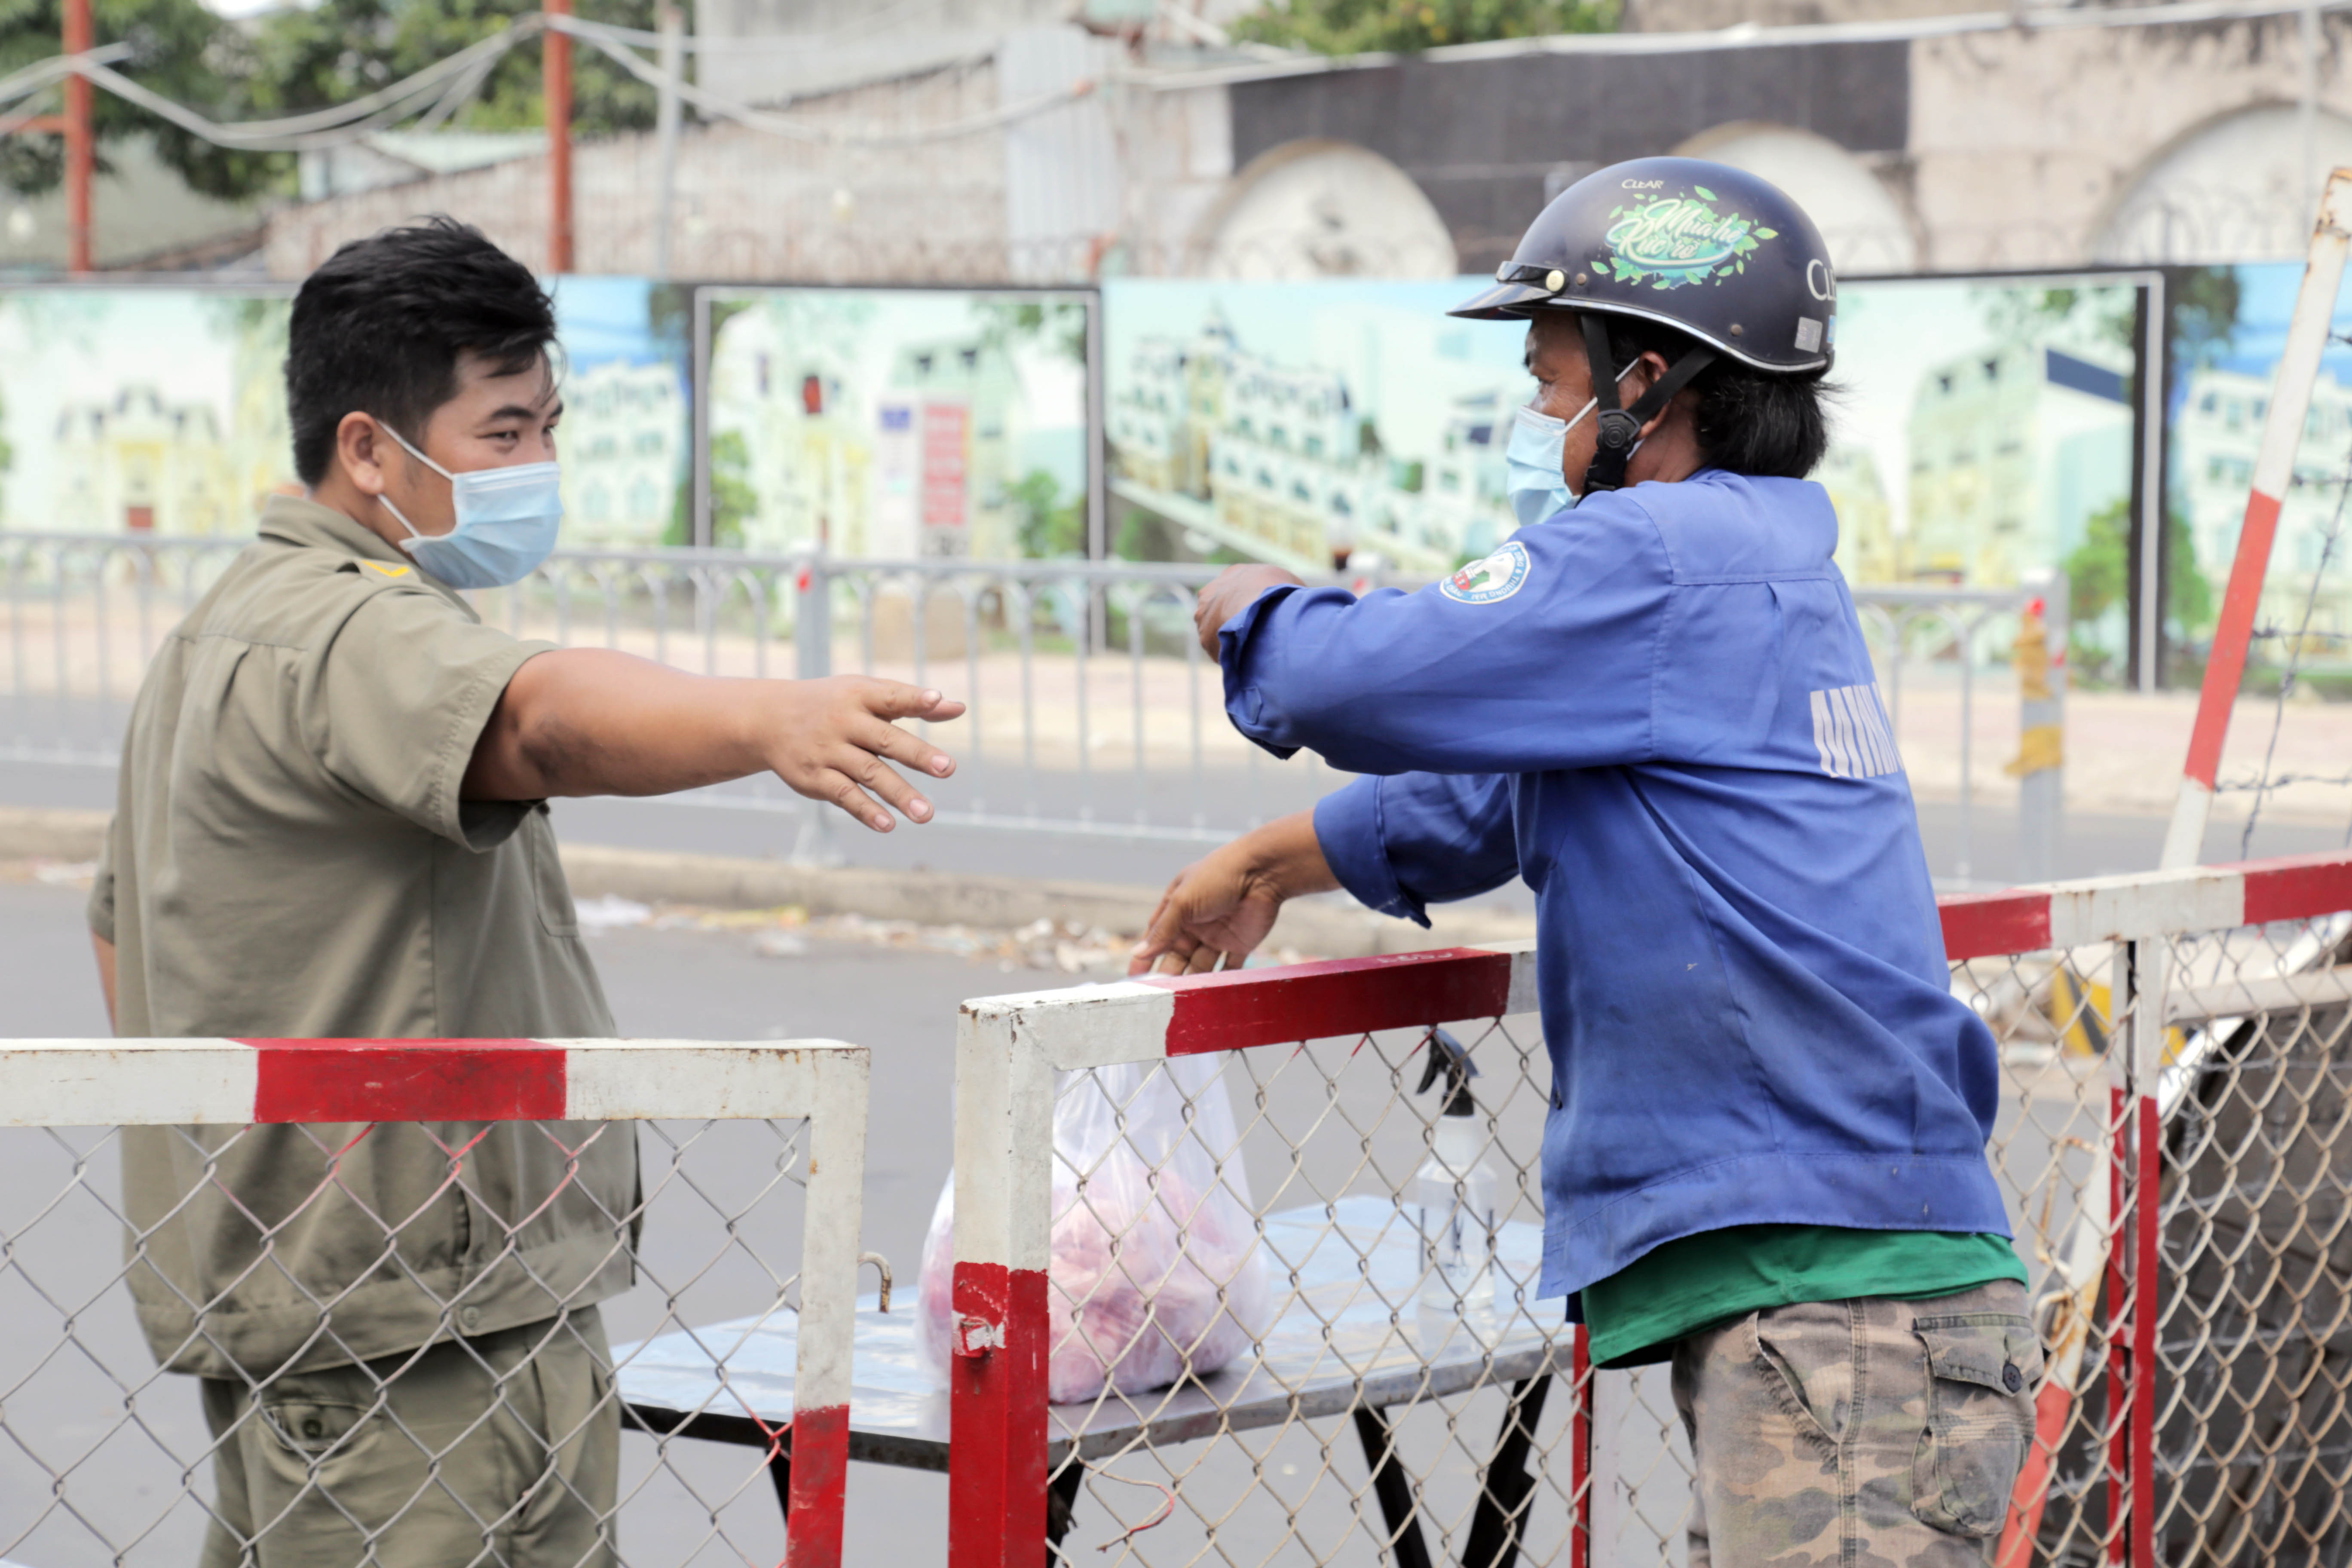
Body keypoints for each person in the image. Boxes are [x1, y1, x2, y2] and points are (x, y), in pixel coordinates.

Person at [1130, 159, 2040, 1567]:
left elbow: (1357, 678)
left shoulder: (1662, 556)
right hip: (1845, 1299)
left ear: (1649, 383)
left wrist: (1259, 609)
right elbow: (1500, 805)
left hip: (1843, 1303)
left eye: (1553, 385)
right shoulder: (1761, 566)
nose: (1537, 419)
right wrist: (1271, 862)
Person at [87, 217, 961, 1568]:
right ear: (369, 446)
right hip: (403, 1322)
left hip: (394, 1299)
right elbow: (535, 718)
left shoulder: (236, 628)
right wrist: (762, 720)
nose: (540, 467)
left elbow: (117, 936)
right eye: (502, 433)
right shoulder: (342, 629)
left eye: (549, 425)